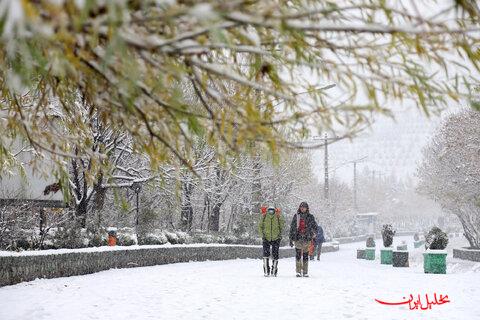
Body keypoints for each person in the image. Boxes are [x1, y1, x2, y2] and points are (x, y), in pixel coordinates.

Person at [289, 202, 318, 277]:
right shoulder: (296, 216)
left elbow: (315, 227)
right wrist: (291, 238)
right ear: (299, 208)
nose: (302, 208)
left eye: (304, 207)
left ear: (307, 208)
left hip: (307, 238)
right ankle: (298, 271)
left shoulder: (310, 217)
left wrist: (313, 234)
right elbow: (292, 227)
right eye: (301, 207)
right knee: (298, 255)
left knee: (305, 255)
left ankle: (305, 271)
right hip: (298, 238)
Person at [258, 206, 285, 277]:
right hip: (266, 238)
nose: (271, 212)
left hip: (276, 238)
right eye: (269, 210)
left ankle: (274, 271)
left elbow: (282, 225)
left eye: (272, 210)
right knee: (265, 255)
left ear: (275, 211)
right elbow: (260, 226)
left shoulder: (277, 217)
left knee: (275, 255)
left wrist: (280, 216)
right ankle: (266, 271)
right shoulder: (264, 216)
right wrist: (262, 235)